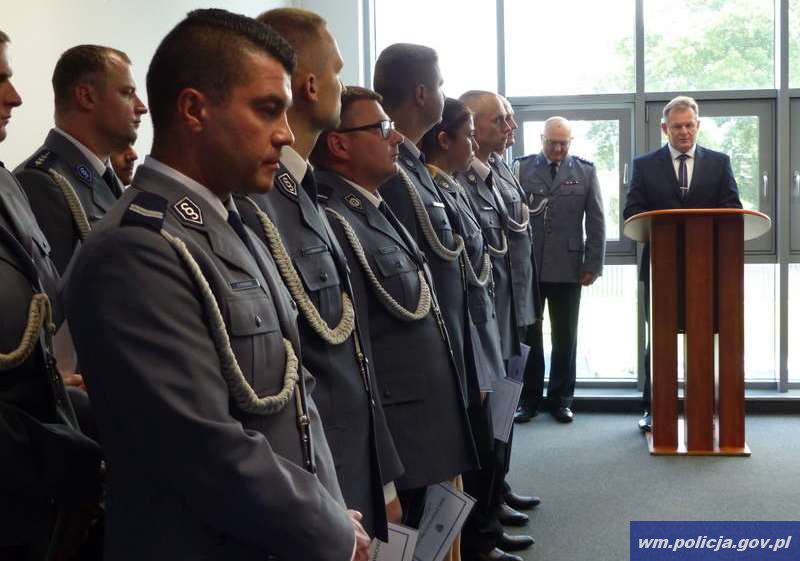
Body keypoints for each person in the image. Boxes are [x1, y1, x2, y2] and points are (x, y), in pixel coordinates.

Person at [63, 10, 368, 561]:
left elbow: (294, 399)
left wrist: (327, 507)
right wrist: (328, 531)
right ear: (194, 110)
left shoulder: (235, 221)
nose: (285, 132)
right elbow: (200, 446)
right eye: (267, 109)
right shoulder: (136, 249)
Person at [236, 8, 403, 540]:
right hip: (311, 481)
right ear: (310, 85)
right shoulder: (252, 203)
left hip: (350, 462)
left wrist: (383, 472)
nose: (341, 82)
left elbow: (352, 352)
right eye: (336, 69)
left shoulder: (302, 192)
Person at [311, 87, 478, 538]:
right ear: (340, 144)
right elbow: (356, 357)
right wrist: (383, 474)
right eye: (382, 128)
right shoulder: (336, 221)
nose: (398, 138)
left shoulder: (374, 207)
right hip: (401, 444)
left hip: (426, 431)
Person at [0, 29, 103, 561]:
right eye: (0, 79)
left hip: (37, 500)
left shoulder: (8, 186)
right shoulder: (41, 182)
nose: (15, 97)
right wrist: (61, 450)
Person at [420, 97, 519, 561]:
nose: (476, 144)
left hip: (493, 322)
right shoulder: (429, 188)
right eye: (471, 134)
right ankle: (482, 536)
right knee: (478, 445)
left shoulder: (461, 182)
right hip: (469, 337)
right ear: (446, 139)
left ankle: (490, 519)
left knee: (493, 435)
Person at [623, 95, 742, 432]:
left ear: (698, 125)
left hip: (709, 271)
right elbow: (632, 212)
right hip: (661, 269)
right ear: (665, 128)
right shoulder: (644, 165)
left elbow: (732, 208)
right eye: (677, 126)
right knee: (660, 340)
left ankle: (704, 408)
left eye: (689, 125)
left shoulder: (719, 163)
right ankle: (653, 409)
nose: (684, 131)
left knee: (704, 336)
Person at [455, 92, 535, 556]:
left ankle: (497, 493)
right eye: (499, 120)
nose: (510, 127)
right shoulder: (460, 178)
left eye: (510, 118)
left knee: (504, 418)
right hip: (488, 321)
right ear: (472, 126)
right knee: (488, 426)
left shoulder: (500, 168)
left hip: (512, 312)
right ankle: (483, 521)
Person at [15, 44, 148, 275]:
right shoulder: (41, 181)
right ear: (86, 97)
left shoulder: (107, 177)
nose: (141, 107)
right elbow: (56, 291)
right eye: (127, 93)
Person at [516, 116, 606, 423]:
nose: (557, 148)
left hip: (569, 268)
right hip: (530, 266)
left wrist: (592, 264)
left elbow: (596, 221)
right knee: (530, 335)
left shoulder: (585, 171)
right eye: (552, 143)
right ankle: (529, 400)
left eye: (563, 143)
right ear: (541, 139)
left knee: (565, 335)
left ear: (570, 142)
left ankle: (561, 399)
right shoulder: (521, 168)